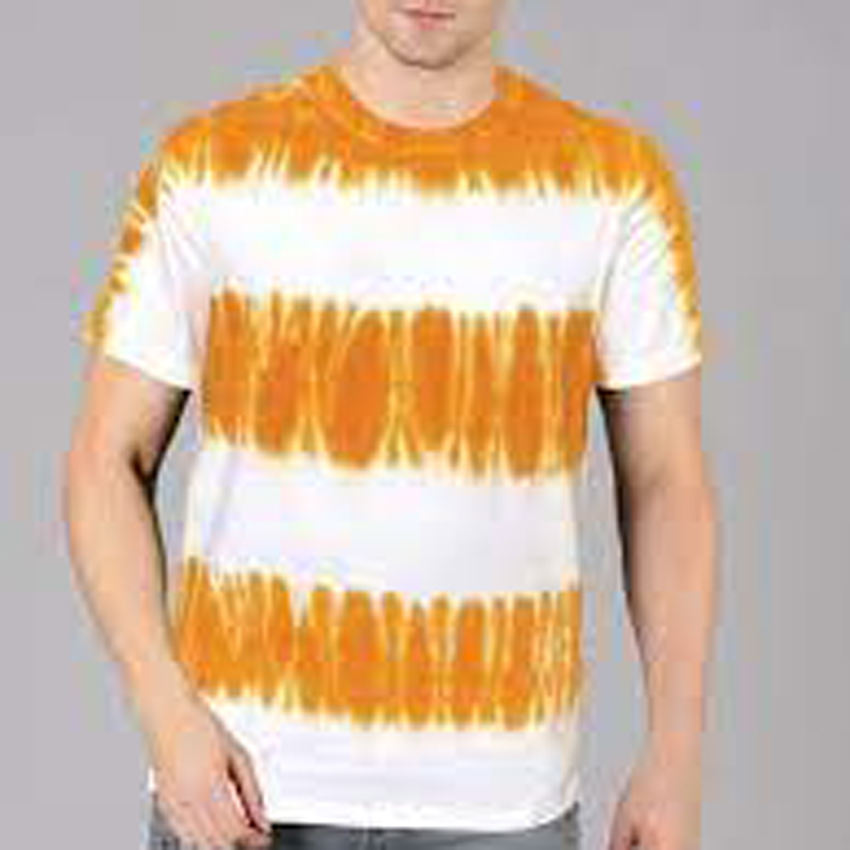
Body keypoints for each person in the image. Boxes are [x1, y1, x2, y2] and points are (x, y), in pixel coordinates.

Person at [63, 1, 719, 849]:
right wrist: (165, 714)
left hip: (503, 806)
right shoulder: (211, 167)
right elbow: (104, 459)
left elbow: (668, 482)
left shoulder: (611, 182)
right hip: (239, 790)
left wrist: (676, 752)